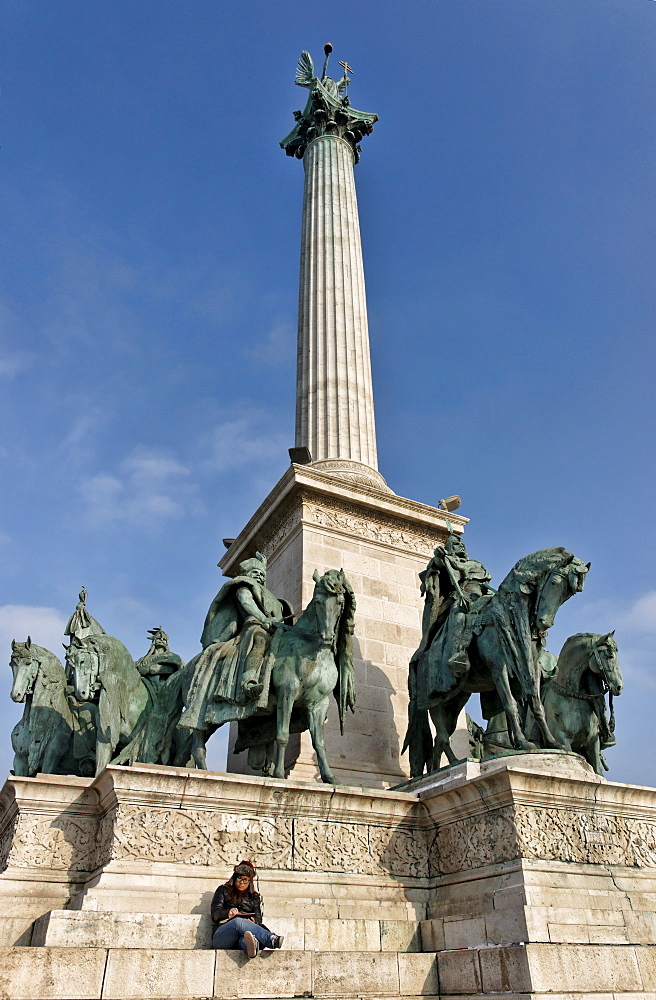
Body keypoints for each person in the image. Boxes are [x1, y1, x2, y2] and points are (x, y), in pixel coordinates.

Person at [211, 860, 284, 958]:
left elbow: (258, 918)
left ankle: (252, 948)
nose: (242, 882)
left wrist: (254, 921)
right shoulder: (223, 890)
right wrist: (228, 913)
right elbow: (215, 914)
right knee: (238, 922)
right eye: (239, 878)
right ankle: (270, 939)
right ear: (234, 878)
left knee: (246, 939)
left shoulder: (254, 897)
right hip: (223, 936)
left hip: (243, 936)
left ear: (250, 881)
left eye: (245, 879)